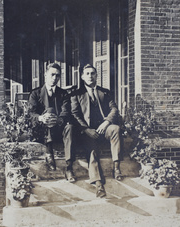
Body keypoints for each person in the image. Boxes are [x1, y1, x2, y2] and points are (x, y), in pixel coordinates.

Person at [70, 64, 123, 198]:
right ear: (82, 76)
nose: (90, 76)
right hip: (87, 131)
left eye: (92, 73)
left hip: (103, 128)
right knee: (92, 152)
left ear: (96, 76)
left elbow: (114, 109)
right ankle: (98, 184)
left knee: (115, 129)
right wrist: (86, 129)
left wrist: (106, 122)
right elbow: (75, 114)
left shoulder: (104, 92)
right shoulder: (76, 94)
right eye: (87, 73)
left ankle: (116, 168)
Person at [28, 63, 76, 182]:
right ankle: (49, 154)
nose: (55, 78)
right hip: (41, 131)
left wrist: (58, 119)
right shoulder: (35, 93)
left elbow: (66, 112)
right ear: (45, 75)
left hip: (58, 129)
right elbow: (30, 114)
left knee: (69, 127)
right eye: (52, 75)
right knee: (48, 113)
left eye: (58, 76)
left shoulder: (64, 94)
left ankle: (69, 167)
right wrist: (41, 118)